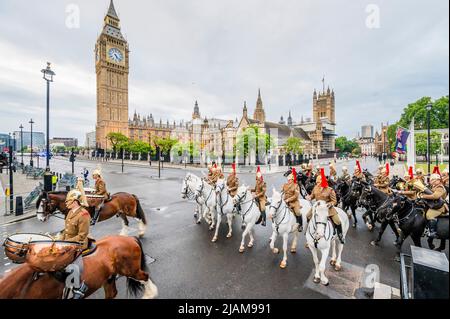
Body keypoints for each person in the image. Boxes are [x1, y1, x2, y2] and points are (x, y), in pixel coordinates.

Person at [58, 189, 91, 299]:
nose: (66, 203)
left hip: (78, 244)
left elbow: (82, 236)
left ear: (75, 202)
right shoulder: (70, 212)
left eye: (68, 201)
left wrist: (66, 243)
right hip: (68, 241)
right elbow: (66, 230)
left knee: (72, 265)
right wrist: (59, 239)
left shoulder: (84, 214)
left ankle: (78, 288)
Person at [307, 168, 345, 244]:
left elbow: (334, 201)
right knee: (308, 215)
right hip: (317, 207)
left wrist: (330, 204)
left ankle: (340, 235)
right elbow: (312, 196)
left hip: (328, 209)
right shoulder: (315, 188)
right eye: (316, 182)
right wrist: (309, 197)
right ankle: (310, 231)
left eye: (319, 182)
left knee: (337, 221)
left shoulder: (329, 190)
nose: (317, 183)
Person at [418, 173, 448, 238]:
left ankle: (432, 232)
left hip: (440, 206)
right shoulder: (434, 186)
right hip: (435, 205)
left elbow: (435, 196)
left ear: (437, 180)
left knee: (429, 215)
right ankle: (425, 229)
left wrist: (423, 196)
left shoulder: (440, 187)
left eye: (432, 180)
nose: (431, 181)